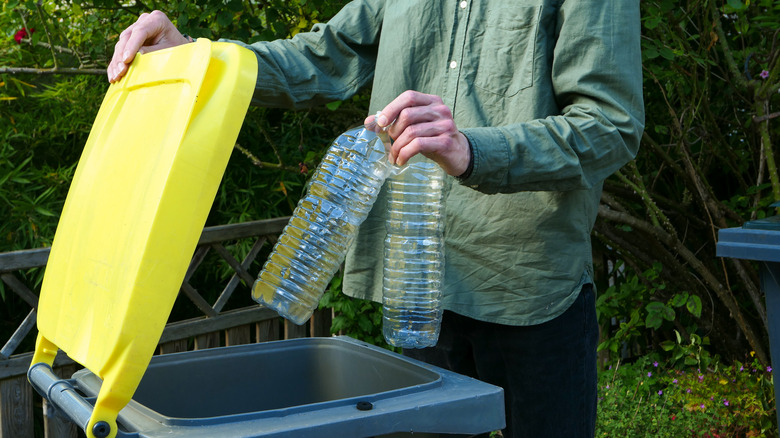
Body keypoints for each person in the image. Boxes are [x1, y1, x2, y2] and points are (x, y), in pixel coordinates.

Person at [108, 2, 644, 437]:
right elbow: (325, 56)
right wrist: (197, 56)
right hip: (417, 286)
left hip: (528, 284)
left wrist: (472, 150)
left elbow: (609, 125)